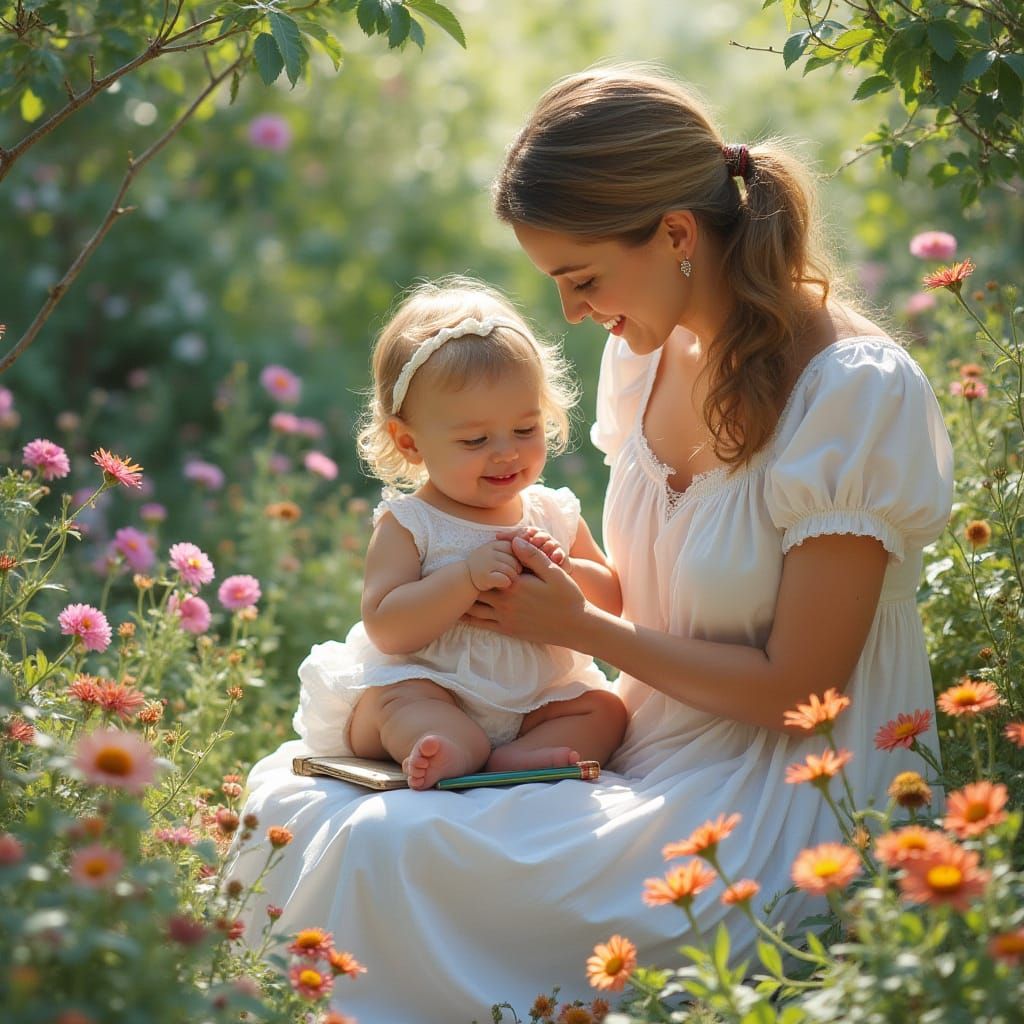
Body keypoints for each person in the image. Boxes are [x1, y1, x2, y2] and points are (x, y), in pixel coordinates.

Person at [229, 64, 953, 1021]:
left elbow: (802, 694)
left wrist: (579, 628)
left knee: (390, 846)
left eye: (583, 279)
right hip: (645, 741)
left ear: (678, 236)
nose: (570, 312)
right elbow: (638, 589)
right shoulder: (642, 355)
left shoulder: (851, 390)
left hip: (788, 791)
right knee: (297, 800)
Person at [295, 278, 626, 790]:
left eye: (525, 429)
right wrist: (465, 578)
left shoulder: (552, 513)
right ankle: (447, 748)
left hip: (537, 698)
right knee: (395, 704)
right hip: (434, 686)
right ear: (409, 442)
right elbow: (387, 627)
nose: (506, 452)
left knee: (605, 709)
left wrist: (566, 570)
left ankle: (517, 757)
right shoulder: (412, 523)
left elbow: (612, 601)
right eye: (475, 440)